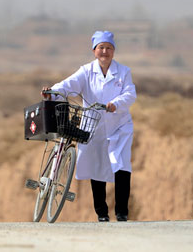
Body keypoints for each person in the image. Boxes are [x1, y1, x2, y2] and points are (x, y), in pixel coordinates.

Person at [42, 30, 136, 222]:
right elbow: (69, 85)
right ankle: (101, 213)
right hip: (93, 127)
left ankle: (122, 212)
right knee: (97, 167)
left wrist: (115, 104)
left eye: (109, 48)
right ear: (94, 50)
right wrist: (52, 92)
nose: (105, 52)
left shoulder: (124, 72)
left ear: (114, 51)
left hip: (119, 126)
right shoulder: (86, 71)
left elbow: (130, 94)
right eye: (101, 48)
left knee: (122, 166)